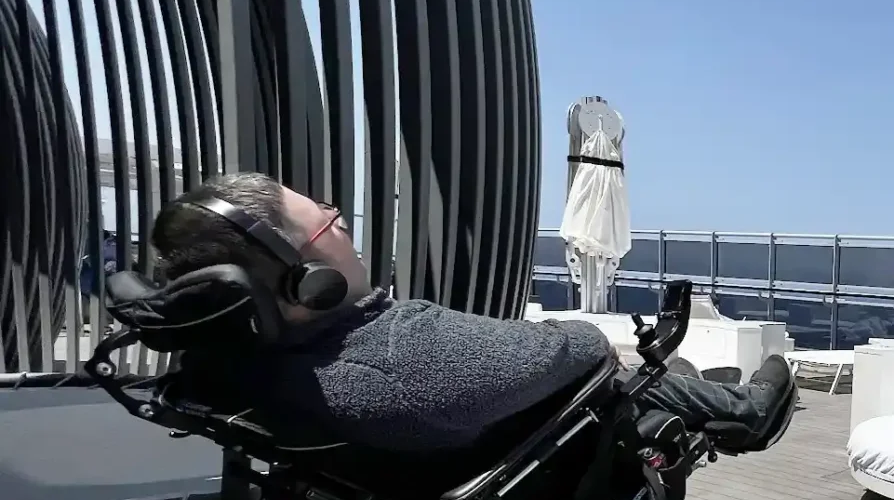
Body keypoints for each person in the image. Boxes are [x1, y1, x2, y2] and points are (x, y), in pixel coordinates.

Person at [151, 172, 796, 456]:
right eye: (325, 220)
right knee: (630, 377)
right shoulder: (404, 359)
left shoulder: (230, 367)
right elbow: (578, 350)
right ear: (305, 280)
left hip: (437, 460)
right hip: (540, 447)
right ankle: (742, 412)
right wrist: (565, 337)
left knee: (660, 375)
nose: (339, 217)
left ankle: (711, 392)